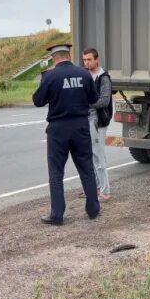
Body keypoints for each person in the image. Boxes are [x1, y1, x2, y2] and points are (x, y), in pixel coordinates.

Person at [32, 43, 100, 225]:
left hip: (58, 129)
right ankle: (93, 209)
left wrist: (45, 79)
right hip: (80, 127)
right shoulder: (85, 74)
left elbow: (38, 101)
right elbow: (94, 99)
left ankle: (57, 215)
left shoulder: (50, 76)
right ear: (69, 56)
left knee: (56, 172)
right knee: (87, 168)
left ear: (54, 58)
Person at [82, 48, 113, 201]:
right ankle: (92, 188)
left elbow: (105, 100)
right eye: (84, 60)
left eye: (89, 59)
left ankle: (105, 191)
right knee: (89, 156)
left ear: (96, 59)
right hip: (85, 120)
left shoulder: (103, 78)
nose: (86, 62)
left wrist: (86, 103)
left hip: (98, 122)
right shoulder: (84, 75)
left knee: (99, 157)